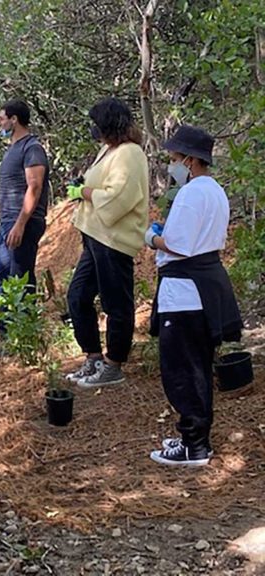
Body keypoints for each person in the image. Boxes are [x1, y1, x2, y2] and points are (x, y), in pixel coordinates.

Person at [145, 125, 242, 466]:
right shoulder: (215, 191)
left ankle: (193, 446)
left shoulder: (190, 194)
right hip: (205, 291)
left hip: (185, 294)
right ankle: (196, 437)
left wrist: (152, 238)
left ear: (190, 160)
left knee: (182, 371)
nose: (172, 165)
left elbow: (179, 244)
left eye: (174, 159)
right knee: (198, 366)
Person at [65, 98, 149, 387]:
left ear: (110, 125)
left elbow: (119, 197)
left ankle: (114, 365)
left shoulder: (130, 153)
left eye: (98, 124)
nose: (94, 129)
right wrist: (82, 189)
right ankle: (93, 357)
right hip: (94, 235)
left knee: (116, 303)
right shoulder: (108, 149)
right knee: (77, 296)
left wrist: (85, 191)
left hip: (114, 238)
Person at [0, 100, 50, 337]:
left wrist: (21, 224)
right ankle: (7, 333)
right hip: (7, 222)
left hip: (24, 223)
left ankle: (23, 335)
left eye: (1, 118)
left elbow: (35, 186)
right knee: (2, 276)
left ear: (14, 119)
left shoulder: (32, 149)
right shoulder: (12, 149)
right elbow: (9, 190)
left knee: (19, 277)